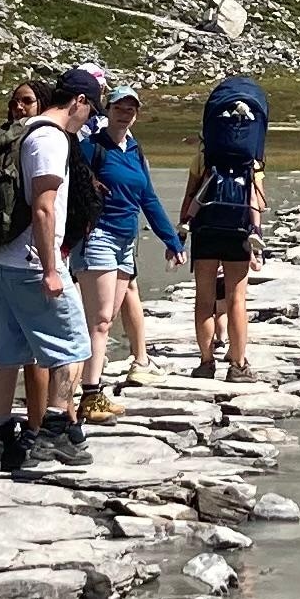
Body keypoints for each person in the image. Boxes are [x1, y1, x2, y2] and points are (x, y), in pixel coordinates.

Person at [0, 66, 99, 465]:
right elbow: (45, 207)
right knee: (75, 347)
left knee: (9, 356)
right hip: (33, 265)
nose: (89, 119)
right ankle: (52, 430)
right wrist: (51, 268)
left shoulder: (20, 132)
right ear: (78, 102)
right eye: (90, 109)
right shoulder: (49, 138)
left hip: (0, 262)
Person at [71, 87, 183, 417]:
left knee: (106, 318)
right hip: (98, 238)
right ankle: (87, 395)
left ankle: (88, 390)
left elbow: (148, 198)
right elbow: (72, 190)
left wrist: (171, 240)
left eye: (131, 108)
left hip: (125, 241)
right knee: (100, 319)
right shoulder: (91, 147)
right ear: (108, 109)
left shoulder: (134, 150)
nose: (125, 113)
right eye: (120, 106)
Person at [184, 71, 269, 382]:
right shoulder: (252, 161)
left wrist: (183, 229)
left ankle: (206, 362)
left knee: (204, 297)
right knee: (237, 298)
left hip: (206, 228)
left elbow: (190, 194)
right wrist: (256, 233)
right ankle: (238, 364)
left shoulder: (205, 158)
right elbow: (256, 200)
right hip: (237, 231)